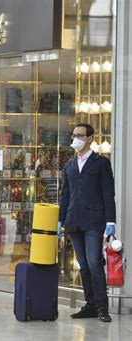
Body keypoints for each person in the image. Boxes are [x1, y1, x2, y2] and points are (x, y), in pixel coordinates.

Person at [59, 123, 116, 323]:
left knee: (94, 263)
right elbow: (65, 195)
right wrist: (60, 219)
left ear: (90, 138)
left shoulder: (101, 163)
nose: (76, 139)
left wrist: (111, 221)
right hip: (74, 222)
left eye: (80, 135)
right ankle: (90, 305)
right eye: (74, 135)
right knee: (83, 265)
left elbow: (109, 194)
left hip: (94, 221)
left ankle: (102, 307)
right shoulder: (69, 166)